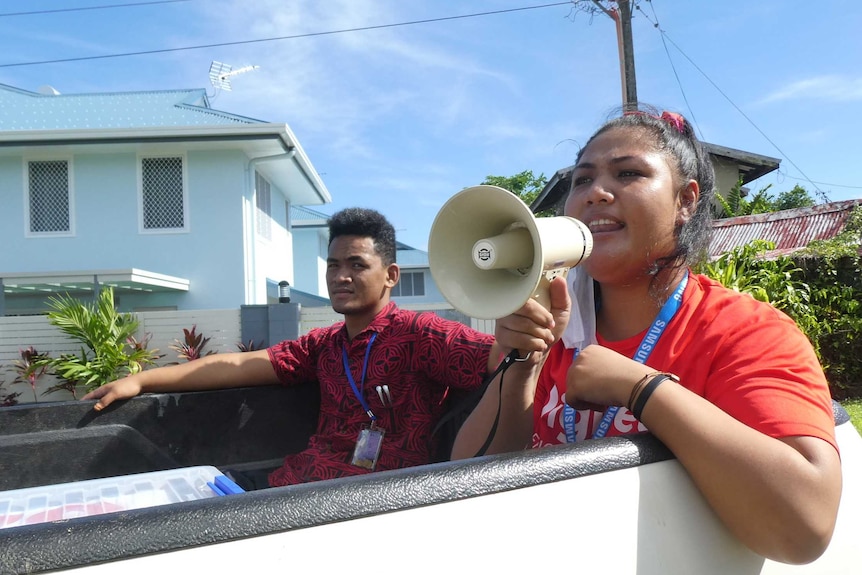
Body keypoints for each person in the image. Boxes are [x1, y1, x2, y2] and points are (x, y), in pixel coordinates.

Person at [451, 107, 841, 564]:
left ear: (685, 201)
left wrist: (641, 388)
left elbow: (803, 529)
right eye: (581, 180)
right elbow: (465, 488)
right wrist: (522, 367)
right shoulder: (552, 331)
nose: (595, 193)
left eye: (629, 173)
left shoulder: (745, 332)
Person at [84, 207, 497, 488]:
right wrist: (141, 381)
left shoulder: (422, 333)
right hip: (296, 486)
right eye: (333, 265)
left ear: (390, 275)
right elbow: (238, 366)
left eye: (357, 265)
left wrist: (522, 331)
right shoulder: (325, 345)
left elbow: (502, 358)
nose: (341, 276)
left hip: (372, 503)